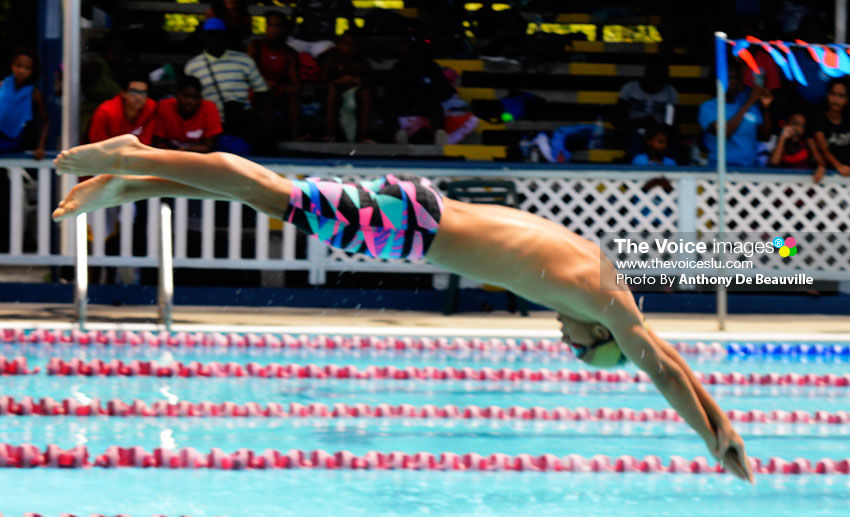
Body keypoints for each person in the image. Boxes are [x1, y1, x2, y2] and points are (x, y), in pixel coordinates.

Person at [51, 133, 754, 484]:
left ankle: (137, 185)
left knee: (275, 200)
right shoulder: (598, 299)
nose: (565, 340)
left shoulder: (609, 284)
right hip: (414, 227)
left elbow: (664, 353)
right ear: (600, 332)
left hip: (418, 217)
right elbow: (658, 367)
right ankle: (137, 156)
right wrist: (707, 438)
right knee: (273, 191)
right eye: (582, 346)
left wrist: (724, 425)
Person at [185, 18, 270, 154]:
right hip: (210, 123)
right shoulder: (193, 66)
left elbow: (261, 90)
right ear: (204, 38)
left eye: (218, 35)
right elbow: (190, 98)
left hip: (243, 119)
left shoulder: (243, 60)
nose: (214, 39)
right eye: (210, 35)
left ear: (225, 37)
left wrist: (252, 112)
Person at [698, 63, 772, 167]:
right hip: (721, 169)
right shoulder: (708, 107)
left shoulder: (749, 105)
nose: (734, 82)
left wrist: (765, 107)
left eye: (737, 78)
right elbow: (725, 132)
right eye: (729, 78)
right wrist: (750, 101)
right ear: (716, 81)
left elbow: (764, 136)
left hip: (751, 169)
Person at [248, 12, 302, 140]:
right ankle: (267, 138)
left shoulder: (290, 53)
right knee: (266, 96)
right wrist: (263, 84)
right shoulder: (256, 47)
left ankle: (296, 134)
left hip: (279, 91)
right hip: (256, 90)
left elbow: (297, 85)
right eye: (271, 25)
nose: (274, 30)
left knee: (293, 96)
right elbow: (248, 75)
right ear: (266, 28)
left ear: (284, 29)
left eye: (278, 26)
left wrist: (279, 88)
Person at [616, 62, 678, 159]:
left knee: (668, 146)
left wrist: (656, 127)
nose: (656, 80)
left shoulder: (670, 91)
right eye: (654, 75)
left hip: (659, 132)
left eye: (660, 77)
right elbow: (618, 120)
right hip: (635, 131)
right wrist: (640, 122)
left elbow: (671, 123)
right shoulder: (630, 88)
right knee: (634, 149)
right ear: (647, 74)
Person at [319, 31, 373, 142]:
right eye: (345, 45)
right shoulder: (332, 59)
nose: (349, 48)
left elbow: (370, 85)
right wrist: (338, 81)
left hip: (356, 94)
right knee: (332, 90)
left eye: (352, 45)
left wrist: (358, 81)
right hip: (335, 92)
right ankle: (329, 134)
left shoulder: (362, 62)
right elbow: (321, 85)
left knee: (366, 94)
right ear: (339, 45)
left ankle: (364, 137)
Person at [153, 75, 223, 153]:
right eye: (185, 96)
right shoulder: (164, 106)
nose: (190, 101)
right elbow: (158, 144)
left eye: (194, 97)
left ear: (200, 97)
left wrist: (184, 151)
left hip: (199, 157)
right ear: (177, 95)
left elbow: (209, 146)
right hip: (169, 155)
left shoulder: (209, 108)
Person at [0, 48, 48, 159]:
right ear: (12, 66)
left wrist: (40, 147)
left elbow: (45, 121)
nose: (22, 71)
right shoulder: (2, 85)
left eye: (27, 68)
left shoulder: (34, 94)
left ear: (32, 71)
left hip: (14, 138)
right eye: (19, 66)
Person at [88, 73, 156, 145]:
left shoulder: (151, 107)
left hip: (136, 153)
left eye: (143, 93)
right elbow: (97, 144)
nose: (139, 97)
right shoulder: (106, 112)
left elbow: (146, 141)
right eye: (134, 92)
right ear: (123, 93)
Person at [811, 78, 850, 179]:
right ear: (827, 95)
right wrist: (839, 166)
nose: (836, 100)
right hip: (828, 174)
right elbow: (824, 148)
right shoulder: (819, 119)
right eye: (833, 94)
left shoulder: (848, 118)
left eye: (841, 96)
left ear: (847, 100)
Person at [769, 112, 825, 181]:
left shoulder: (808, 141)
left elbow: (819, 159)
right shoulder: (781, 141)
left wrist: (821, 167)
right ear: (787, 124)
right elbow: (774, 162)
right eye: (795, 123)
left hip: (805, 183)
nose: (797, 128)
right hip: (784, 183)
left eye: (801, 125)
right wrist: (783, 138)